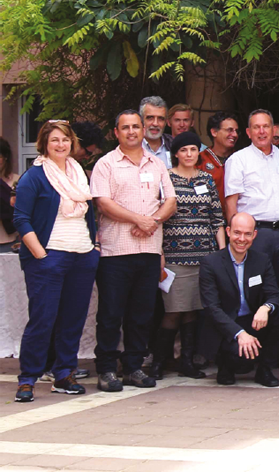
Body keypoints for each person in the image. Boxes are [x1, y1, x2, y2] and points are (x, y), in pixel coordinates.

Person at [12, 120, 100, 402]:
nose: (60, 145)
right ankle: (27, 379)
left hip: (82, 257)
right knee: (43, 320)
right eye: (54, 141)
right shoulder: (35, 176)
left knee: (72, 321)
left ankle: (64, 375)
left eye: (65, 140)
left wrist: (94, 247)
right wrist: (40, 253)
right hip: (48, 257)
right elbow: (21, 219)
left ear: (72, 142)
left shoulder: (78, 174)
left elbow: (89, 215)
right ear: (44, 145)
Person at [90, 109, 177, 392]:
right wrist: (137, 219)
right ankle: (106, 369)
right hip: (116, 252)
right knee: (111, 314)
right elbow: (103, 203)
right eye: (125, 127)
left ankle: (133, 367)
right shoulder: (106, 164)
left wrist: (153, 221)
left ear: (143, 130)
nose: (131, 132)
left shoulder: (156, 164)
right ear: (116, 132)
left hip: (149, 250)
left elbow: (171, 201)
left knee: (142, 314)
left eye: (136, 127)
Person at [152, 131, 226, 380]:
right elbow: (158, 217)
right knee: (173, 310)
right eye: (184, 150)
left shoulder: (206, 179)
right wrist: (159, 251)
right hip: (175, 256)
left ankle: (187, 361)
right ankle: (158, 362)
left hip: (204, 256)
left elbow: (217, 218)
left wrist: (222, 254)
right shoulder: (167, 178)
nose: (189, 154)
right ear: (176, 153)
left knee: (194, 310)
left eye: (193, 150)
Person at [224, 109, 279, 324]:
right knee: (255, 287)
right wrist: (238, 237)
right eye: (256, 127)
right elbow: (231, 204)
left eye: (265, 126)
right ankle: (254, 345)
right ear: (248, 132)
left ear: (273, 129)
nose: (261, 131)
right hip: (254, 235)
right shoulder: (239, 160)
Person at [199, 213, 279, 387]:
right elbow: (212, 308)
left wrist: (266, 308)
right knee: (241, 362)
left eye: (247, 234)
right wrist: (239, 334)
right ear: (228, 232)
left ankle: (265, 369)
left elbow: (275, 294)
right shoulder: (210, 263)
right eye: (237, 233)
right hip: (227, 326)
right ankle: (225, 366)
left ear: (254, 235)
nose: (242, 239)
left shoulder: (261, 260)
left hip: (253, 320)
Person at [197, 111, 240, 219]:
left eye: (236, 131)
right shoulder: (199, 160)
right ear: (214, 132)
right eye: (229, 130)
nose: (234, 135)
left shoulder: (241, 159)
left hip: (238, 223)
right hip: (208, 222)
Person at [139, 96, 172, 168]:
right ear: (140, 120)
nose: (155, 123)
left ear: (166, 122)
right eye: (150, 118)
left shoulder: (174, 146)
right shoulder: (131, 147)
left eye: (160, 119)